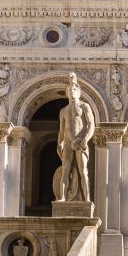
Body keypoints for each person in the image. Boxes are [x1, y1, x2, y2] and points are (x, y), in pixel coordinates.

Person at [55, 73, 95, 202]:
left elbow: (91, 125)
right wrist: (59, 143)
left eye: (73, 90)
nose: (71, 92)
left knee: (83, 171)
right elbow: (62, 130)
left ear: (78, 92)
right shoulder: (63, 110)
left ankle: (87, 199)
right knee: (65, 171)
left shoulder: (84, 106)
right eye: (68, 90)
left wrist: (85, 140)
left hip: (80, 141)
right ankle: (62, 198)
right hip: (67, 142)